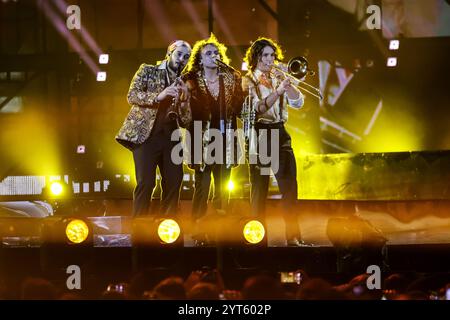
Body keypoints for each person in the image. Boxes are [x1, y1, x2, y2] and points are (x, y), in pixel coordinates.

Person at [115, 40, 192, 216]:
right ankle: (140, 230)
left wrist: (185, 100)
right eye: (179, 54)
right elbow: (132, 95)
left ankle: (169, 229)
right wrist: (160, 96)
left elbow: (186, 120)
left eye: (186, 57)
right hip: (145, 137)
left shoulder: (185, 82)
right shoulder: (148, 70)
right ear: (169, 53)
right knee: (146, 183)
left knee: (174, 182)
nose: (182, 59)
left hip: (171, 139)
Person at [242, 37, 305, 246]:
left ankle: (293, 236)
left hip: (280, 132)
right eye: (266, 55)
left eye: (272, 55)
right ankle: (257, 238)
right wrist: (278, 91)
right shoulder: (248, 80)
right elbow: (257, 108)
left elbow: (298, 103)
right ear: (256, 57)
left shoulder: (279, 77)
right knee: (259, 189)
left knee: (289, 186)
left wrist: (288, 87)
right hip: (259, 134)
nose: (270, 60)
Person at [182, 34, 244, 245]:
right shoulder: (191, 81)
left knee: (223, 185)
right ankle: (198, 228)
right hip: (201, 138)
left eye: (216, 52)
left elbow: (238, 108)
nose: (213, 56)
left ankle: (220, 227)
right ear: (200, 59)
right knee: (202, 184)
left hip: (225, 136)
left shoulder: (229, 78)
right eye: (208, 53)